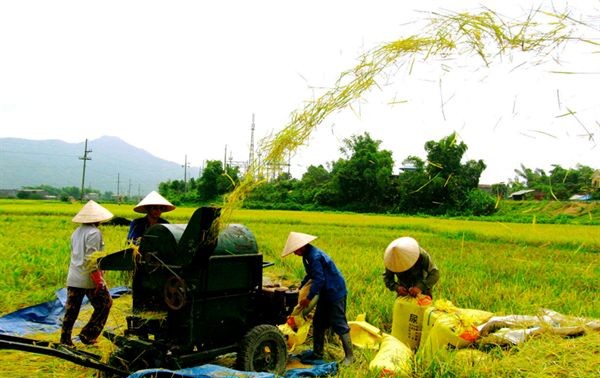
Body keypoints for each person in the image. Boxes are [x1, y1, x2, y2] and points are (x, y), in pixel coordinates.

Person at [281, 232, 354, 365]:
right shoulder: (307, 256)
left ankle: (350, 356)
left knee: (339, 323)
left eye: (295, 250)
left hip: (335, 291)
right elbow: (310, 275)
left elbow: (319, 280)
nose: (294, 253)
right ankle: (317, 352)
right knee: (318, 323)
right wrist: (300, 287)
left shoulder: (314, 256)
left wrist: (308, 298)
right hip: (325, 293)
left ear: (301, 247)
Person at [60, 200, 114, 346]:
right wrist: (99, 281)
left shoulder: (76, 232)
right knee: (105, 303)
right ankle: (88, 334)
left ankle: (65, 340)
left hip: (74, 276)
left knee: (71, 309)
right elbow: (92, 259)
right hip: (88, 277)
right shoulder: (94, 233)